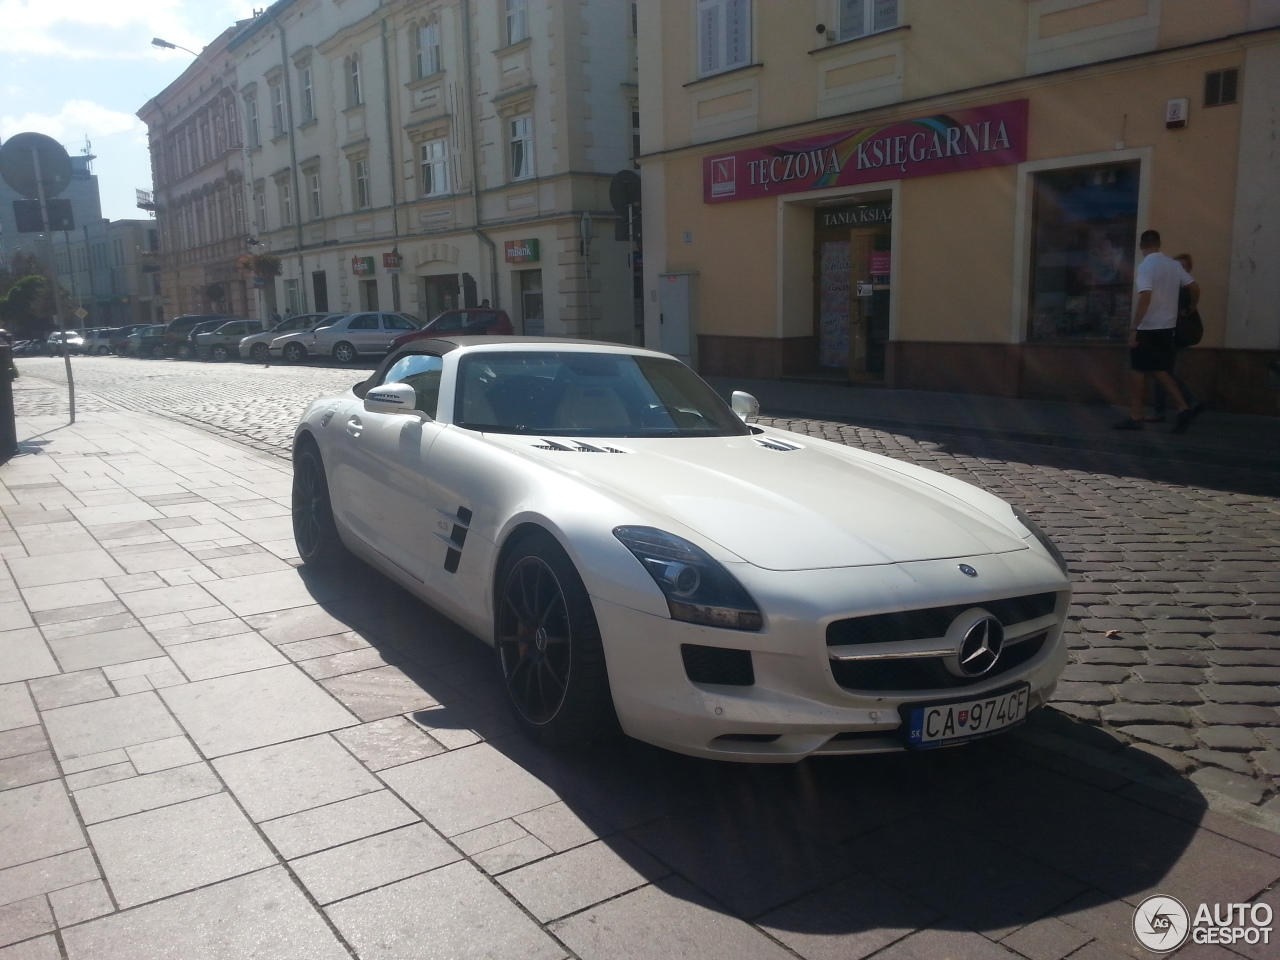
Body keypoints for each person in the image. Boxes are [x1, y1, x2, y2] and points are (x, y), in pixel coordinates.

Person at [1113, 230, 1205, 434]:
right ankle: (1183, 408)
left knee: (1138, 371)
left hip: (1148, 327)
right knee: (1160, 370)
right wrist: (1191, 306)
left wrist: (1134, 328)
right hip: (1167, 328)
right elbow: (1195, 287)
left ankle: (1136, 417)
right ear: (1159, 244)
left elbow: (1145, 296)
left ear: (1141, 246)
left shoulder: (1146, 267)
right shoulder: (1173, 265)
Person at [1149, 252, 1199, 420]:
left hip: (1171, 334)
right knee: (1162, 371)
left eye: (1182, 267)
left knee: (1162, 371)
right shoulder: (1173, 287)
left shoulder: (1183, 289)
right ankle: (1162, 410)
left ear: (1188, 269)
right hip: (1165, 333)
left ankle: (1189, 402)